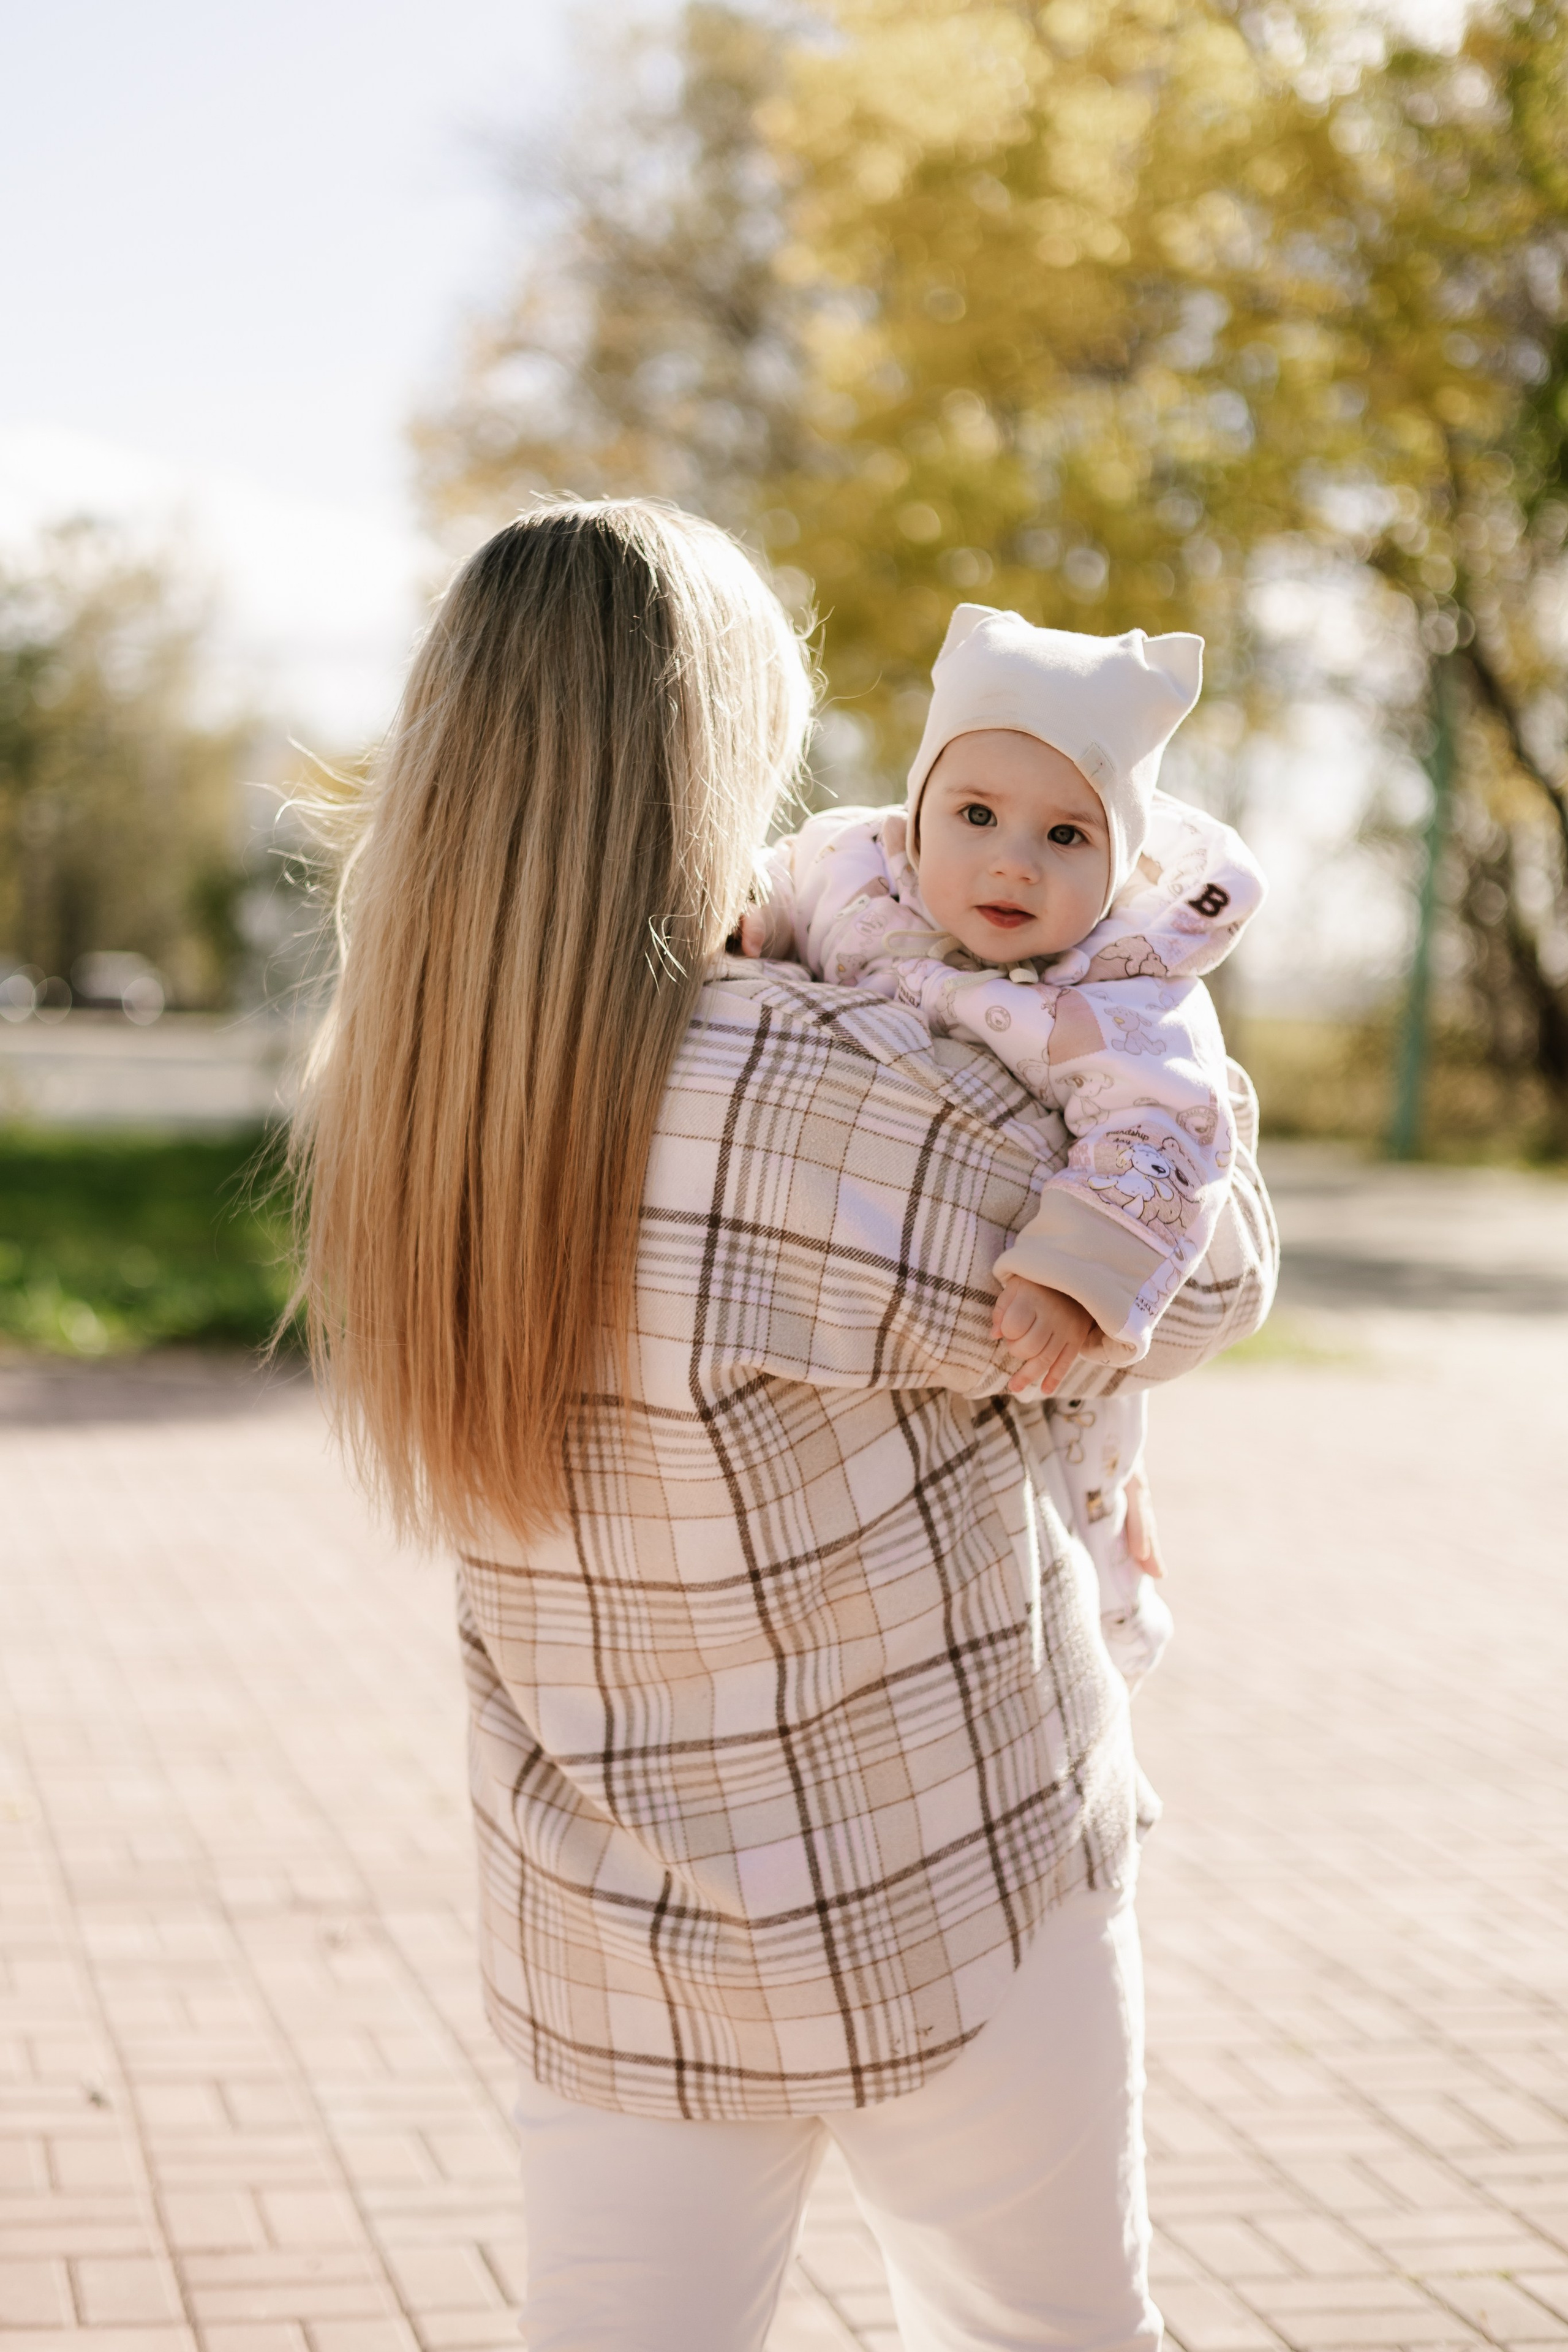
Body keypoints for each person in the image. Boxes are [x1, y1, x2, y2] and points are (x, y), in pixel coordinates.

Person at [289, 501, 1278, 2352]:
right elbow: (1203, 1285)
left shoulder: (397, 1100)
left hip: (605, 1913)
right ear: (705, 759)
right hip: (942, 1870)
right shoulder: (798, 1081)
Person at [742, 604, 1265, 1686]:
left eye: (1066, 835)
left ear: (1119, 860)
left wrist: (1082, 1269)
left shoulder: (1128, 991)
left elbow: (1168, 1128)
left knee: (1081, 1467)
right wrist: (744, 916)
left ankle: (1108, 1630)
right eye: (975, 814)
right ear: (919, 812)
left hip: (1045, 1334)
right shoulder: (850, 879)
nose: (1013, 863)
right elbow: (775, 882)